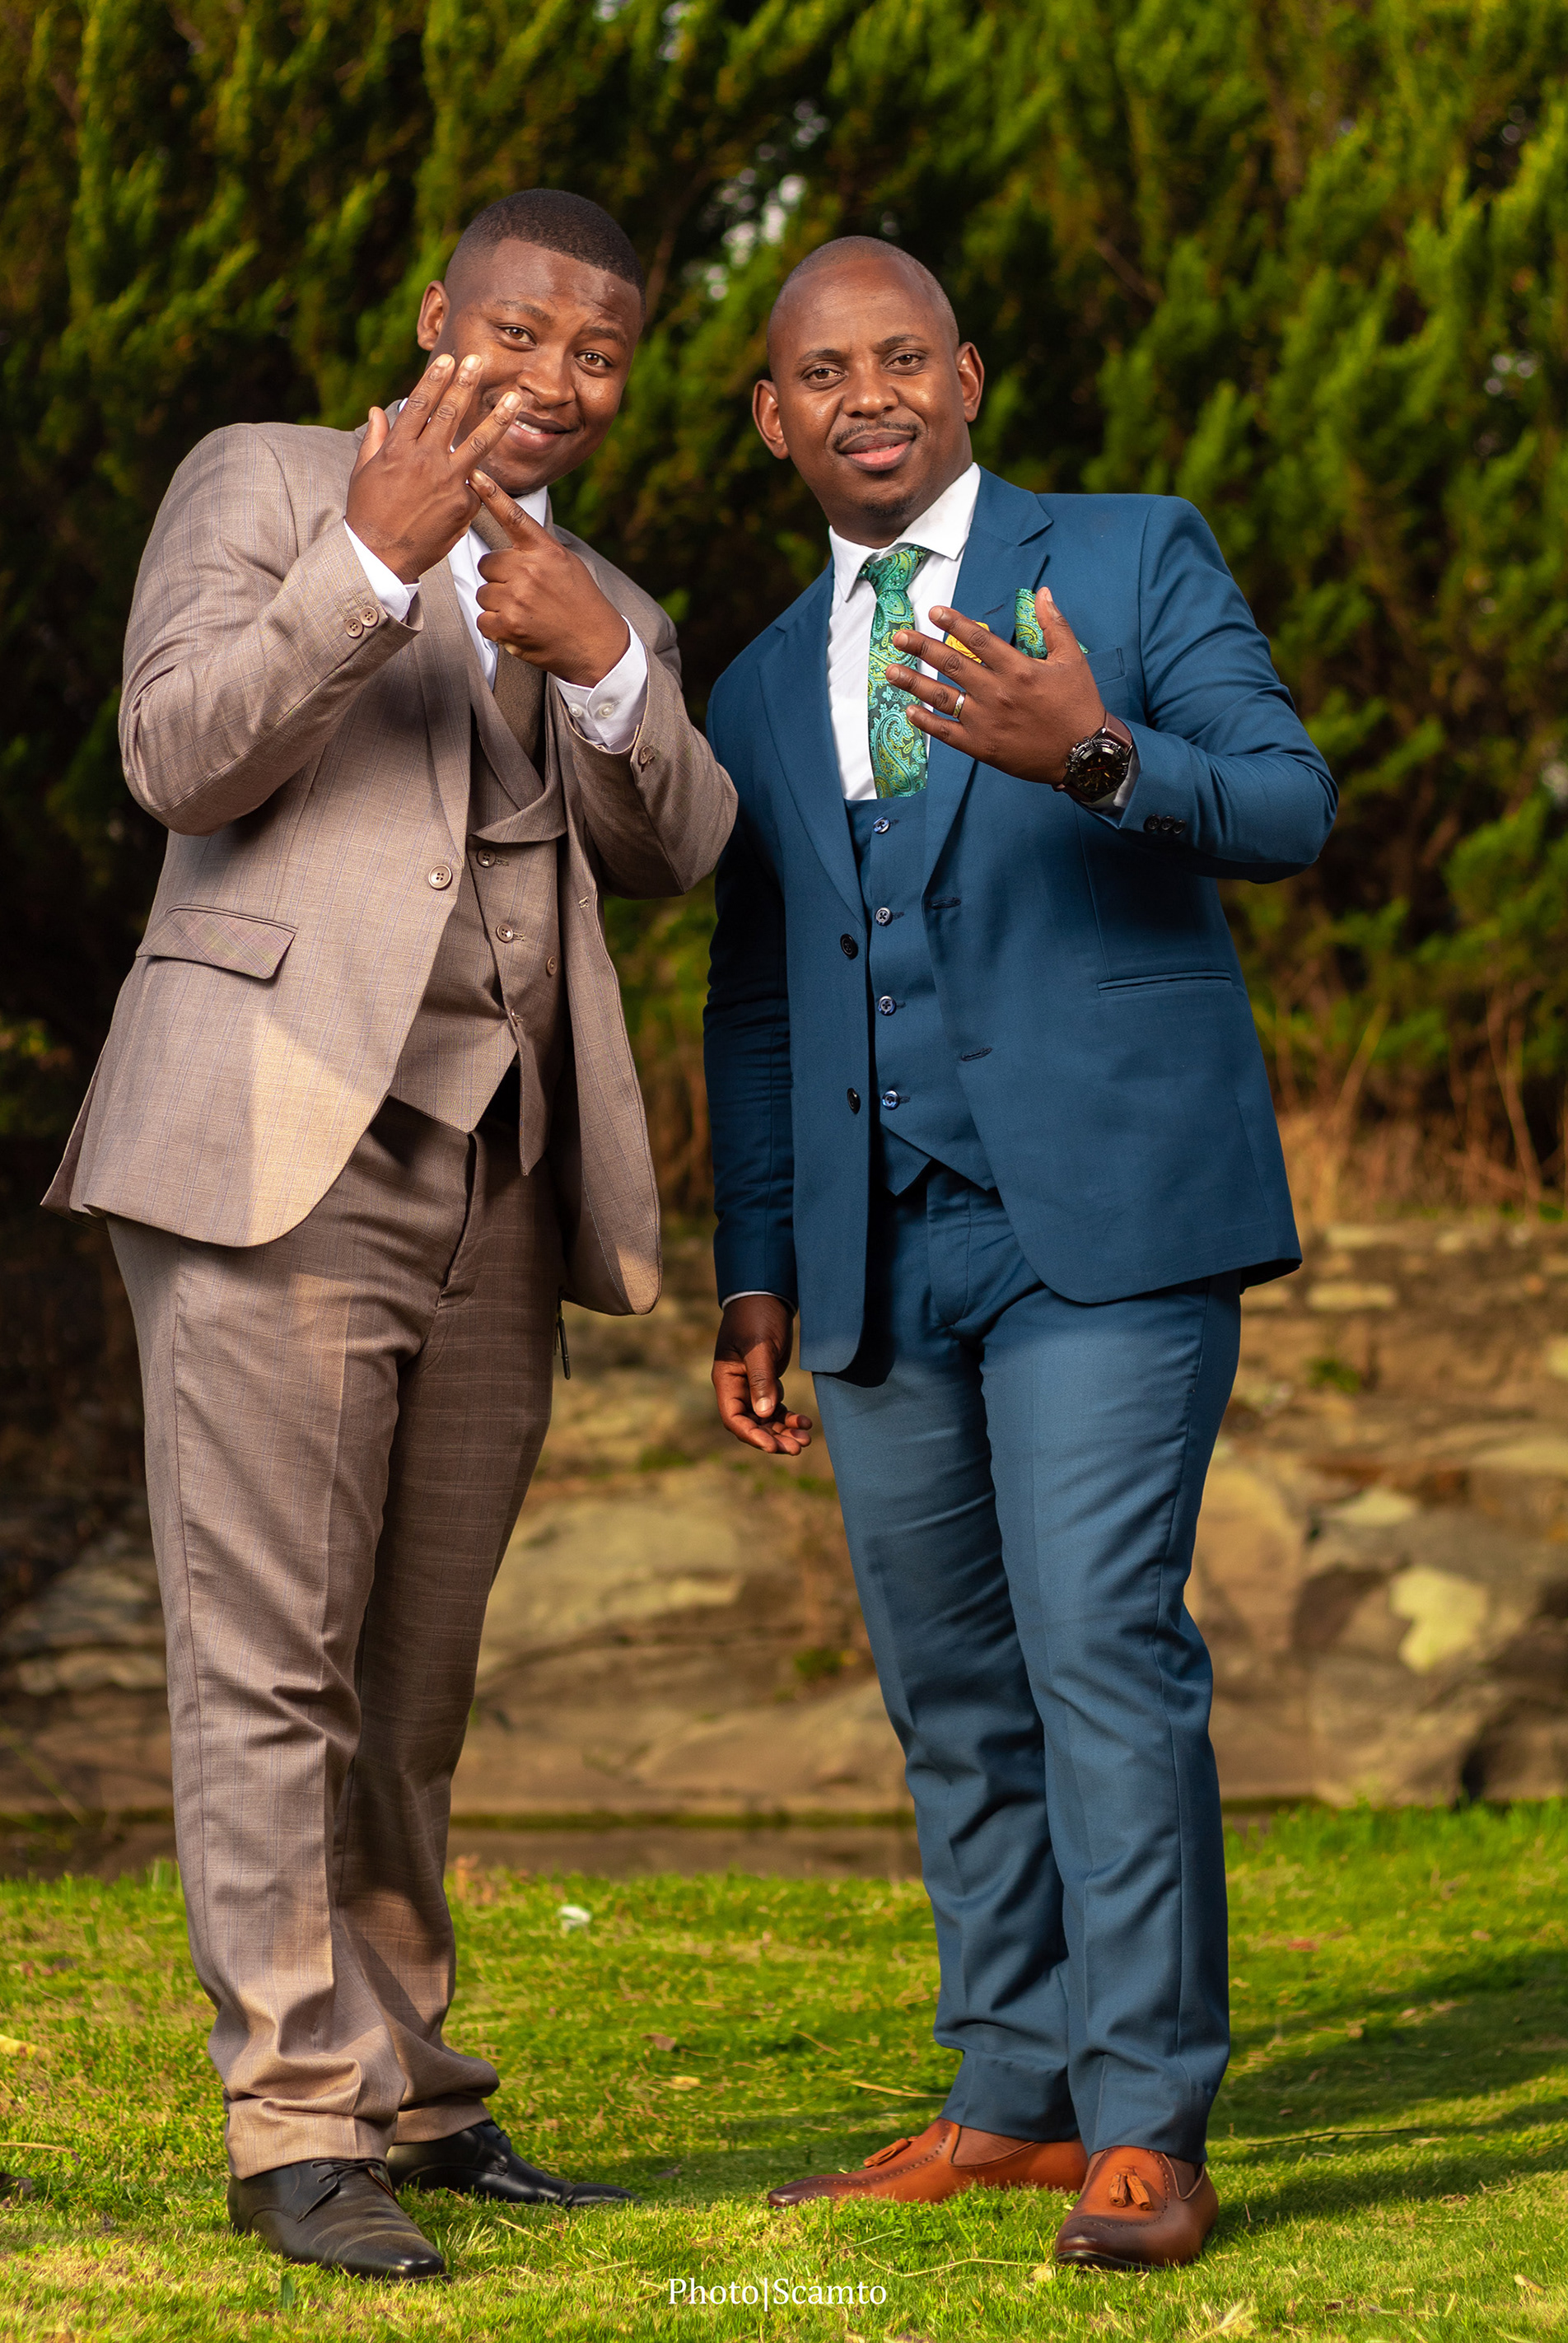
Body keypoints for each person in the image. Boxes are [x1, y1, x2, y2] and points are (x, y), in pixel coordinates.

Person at [46, 189, 735, 2280]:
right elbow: (177, 755)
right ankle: (291, 2116)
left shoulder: (607, 594)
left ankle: (410, 2086)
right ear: (440, 317)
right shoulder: (264, 480)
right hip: (273, 1147)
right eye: (520, 333)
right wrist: (368, 558)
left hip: (502, 1177)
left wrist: (605, 666)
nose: (555, 379)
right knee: (270, 1661)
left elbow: (687, 842)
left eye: (599, 354)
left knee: (412, 1682)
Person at [702, 237, 1333, 2271]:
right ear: (776, 416)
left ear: (967, 377)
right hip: (879, 1247)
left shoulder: (1130, 559)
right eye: (825, 371)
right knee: (954, 1686)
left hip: (1110, 1224)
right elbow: (764, 997)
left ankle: (1146, 2120)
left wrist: (1095, 751)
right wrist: (756, 1263)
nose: (869, 394)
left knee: (1097, 1648)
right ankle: (1010, 2097)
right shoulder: (753, 682)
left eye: (903, 357)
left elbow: (1291, 806)